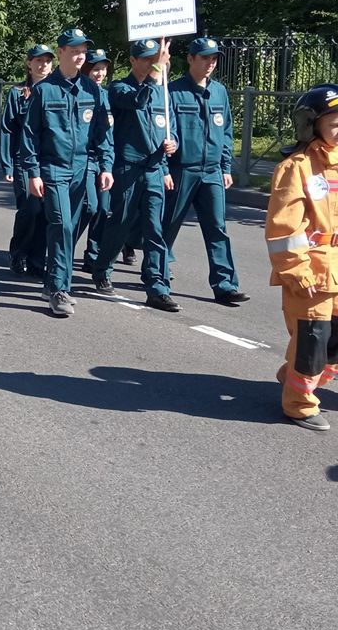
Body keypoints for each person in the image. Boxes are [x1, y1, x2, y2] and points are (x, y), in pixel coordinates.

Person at [20, 29, 113, 317]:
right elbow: (29, 135)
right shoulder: (44, 90)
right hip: (53, 168)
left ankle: (52, 280)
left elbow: (101, 134)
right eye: (74, 50)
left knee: (70, 225)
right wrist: (33, 172)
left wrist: (105, 165)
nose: (80, 55)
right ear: (61, 52)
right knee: (61, 225)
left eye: (83, 50)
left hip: (82, 168)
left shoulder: (92, 90)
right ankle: (61, 289)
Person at [266, 84, 338, 431]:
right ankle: (299, 404)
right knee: (313, 339)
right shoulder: (296, 168)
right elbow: (284, 228)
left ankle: (290, 373)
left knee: (333, 343)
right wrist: (296, 270)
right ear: (311, 124)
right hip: (312, 271)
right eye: (334, 121)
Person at [91, 39, 179, 311]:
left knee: (154, 229)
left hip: (153, 168)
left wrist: (172, 144)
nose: (152, 63)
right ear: (133, 60)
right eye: (145, 59)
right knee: (121, 222)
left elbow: (170, 126)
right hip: (127, 168)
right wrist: (157, 72)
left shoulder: (163, 93)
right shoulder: (118, 88)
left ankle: (156, 286)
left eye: (155, 58)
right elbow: (138, 101)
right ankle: (102, 268)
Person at [163, 36, 248, 306]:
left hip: (211, 171)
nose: (210, 63)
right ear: (190, 59)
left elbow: (226, 132)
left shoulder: (220, 92)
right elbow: (167, 131)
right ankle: (159, 276)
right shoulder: (173, 90)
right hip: (182, 170)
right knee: (168, 225)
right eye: (205, 58)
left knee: (217, 229)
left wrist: (225, 166)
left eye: (214, 59)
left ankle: (225, 285)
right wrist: (166, 165)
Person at [0, 43, 54, 277]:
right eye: (38, 60)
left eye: (47, 61)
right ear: (29, 64)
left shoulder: (56, 91)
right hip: (24, 161)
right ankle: (19, 252)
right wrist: (7, 163)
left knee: (45, 211)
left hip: (51, 161)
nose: (42, 65)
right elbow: (7, 129)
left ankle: (36, 260)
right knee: (30, 208)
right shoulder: (18, 93)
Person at [77, 47, 112, 272]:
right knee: (90, 206)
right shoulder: (81, 92)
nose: (98, 73)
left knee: (104, 208)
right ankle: (64, 245)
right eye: (94, 69)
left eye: (102, 69)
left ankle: (94, 254)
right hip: (85, 158)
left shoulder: (108, 95)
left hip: (105, 158)